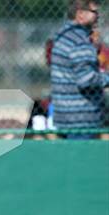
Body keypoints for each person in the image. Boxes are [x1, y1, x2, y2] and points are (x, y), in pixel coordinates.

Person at [51, 0, 109, 139]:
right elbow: (86, 80)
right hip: (82, 119)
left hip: (64, 116)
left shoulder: (63, 36)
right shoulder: (80, 41)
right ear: (80, 14)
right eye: (94, 12)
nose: (98, 16)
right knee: (84, 160)